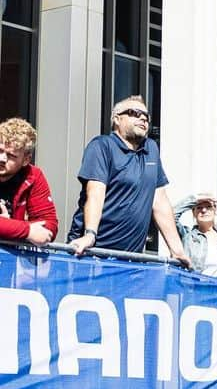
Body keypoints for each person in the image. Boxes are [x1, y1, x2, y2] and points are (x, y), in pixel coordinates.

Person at [66, 96, 191, 268]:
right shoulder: (102, 146)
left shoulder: (151, 149)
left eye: (146, 116)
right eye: (134, 113)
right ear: (117, 119)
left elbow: (159, 201)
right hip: (93, 254)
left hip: (130, 261)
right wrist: (89, 235)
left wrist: (177, 250)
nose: (142, 118)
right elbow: (95, 193)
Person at [0, 117, 57, 246]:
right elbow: (34, 232)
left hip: (10, 260)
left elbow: (49, 227)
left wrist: (8, 227)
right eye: (0, 151)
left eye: (11, 155)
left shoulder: (33, 176)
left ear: (26, 160)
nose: (2, 159)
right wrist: (26, 230)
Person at [174, 193, 217, 275]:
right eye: (199, 207)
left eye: (208, 207)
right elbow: (171, 216)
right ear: (194, 213)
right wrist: (194, 199)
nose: (204, 210)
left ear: (215, 210)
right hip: (197, 285)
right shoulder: (187, 236)